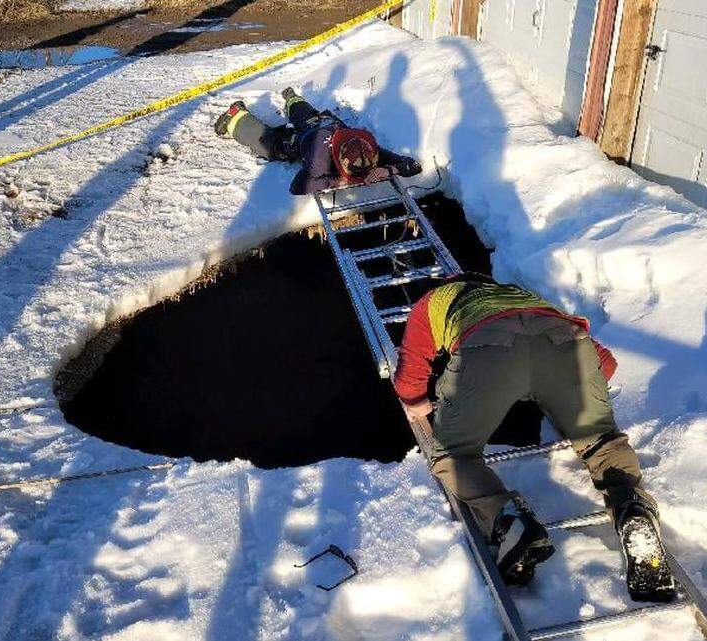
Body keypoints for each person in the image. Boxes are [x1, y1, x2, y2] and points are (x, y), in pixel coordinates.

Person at [394, 274, 677, 602]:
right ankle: (633, 506)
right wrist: (556, 397)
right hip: (567, 346)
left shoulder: (433, 302)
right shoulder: (524, 294)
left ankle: (509, 520)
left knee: (453, 455)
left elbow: (409, 379)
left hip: (488, 351)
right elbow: (606, 366)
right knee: (601, 442)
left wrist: (417, 401)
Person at [213, 88, 422, 194]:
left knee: (308, 116)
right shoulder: (320, 159)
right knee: (270, 145)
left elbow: (413, 165)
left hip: (324, 122)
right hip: (303, 140)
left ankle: (292, 97)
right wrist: (339, 180)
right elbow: (298, 186)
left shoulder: (363, 148)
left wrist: (388, 170)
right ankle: (235, 116)